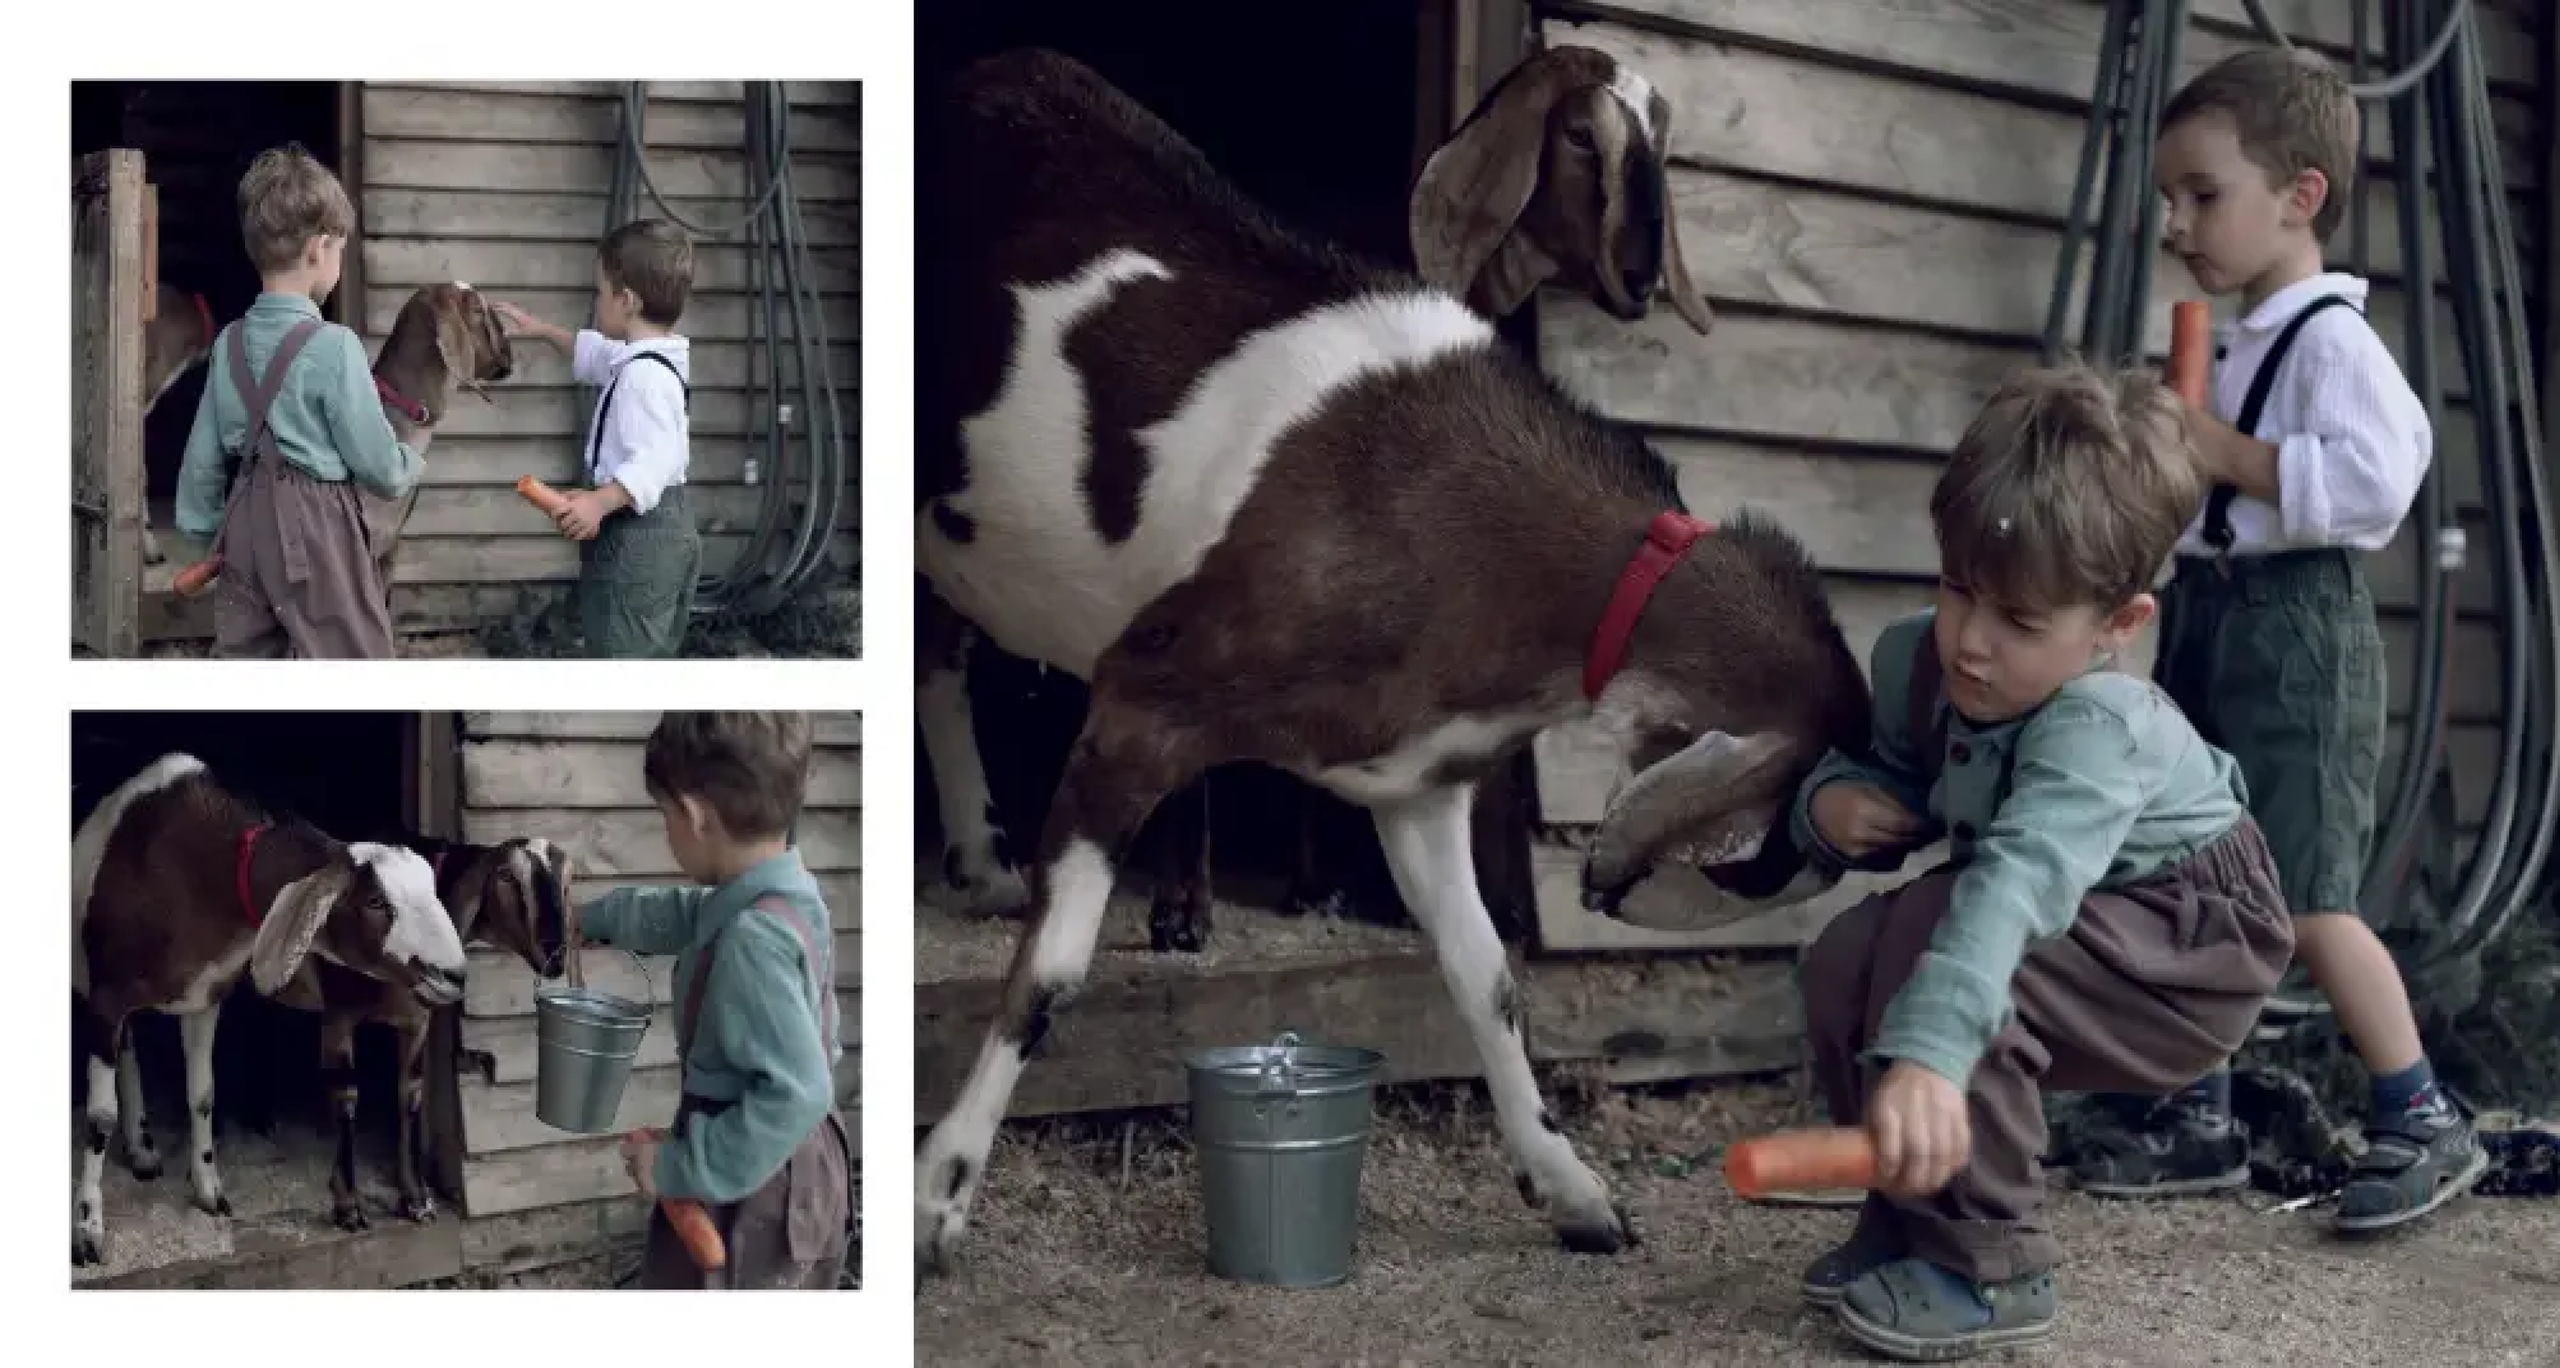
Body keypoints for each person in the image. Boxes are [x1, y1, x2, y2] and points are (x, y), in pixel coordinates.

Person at [1787, 365, 2295, 1361]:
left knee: (1949, 941)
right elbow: (1884, 767)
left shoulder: (2100, 726)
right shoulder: (1917, 667)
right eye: (1956, 589)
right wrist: (1828, 802)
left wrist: (1933, 1056)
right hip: (2054, 912)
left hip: (2189, 942)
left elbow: (2014, 887)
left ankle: (1986, 1267)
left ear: (2118, 624)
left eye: (2019, 622)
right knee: (1851, 953)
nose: (1972, 643)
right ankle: (1908, 1206)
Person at [2073, 45, 2485, 1232]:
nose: (2174, 224)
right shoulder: (2238, 337)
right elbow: (2198, 496)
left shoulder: (2328, 343)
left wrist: (2225, 456)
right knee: (2195, 870)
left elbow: (2378, 476)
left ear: (2299, 197)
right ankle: (2193, 1111)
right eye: (2168, 199)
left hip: (2297, 632)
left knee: (2304, 891)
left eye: (2203, 195)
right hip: (2208, 617)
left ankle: (2419, 1111)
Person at [574, 712, 851, 1289]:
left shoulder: (752, 941)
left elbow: (798, 1091)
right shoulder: (780, 891)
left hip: (755, 1180)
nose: (667, 830)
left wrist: (678, 1168)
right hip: (786, 1154)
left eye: (664, 815)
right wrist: (590, 920)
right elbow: (681, 913)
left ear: (695, 816)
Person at [173, 143, 427, 659]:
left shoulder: (228, 344)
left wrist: (207, 534)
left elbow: (201, 459)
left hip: (243, 522)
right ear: (318, 249)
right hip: (319, 531)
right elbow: (377, 464)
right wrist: (409, 462)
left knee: (248, 658)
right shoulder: (335, 347)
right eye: (338, 251)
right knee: (351, 656)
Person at [492, 217, 701, 658]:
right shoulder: (649, 358)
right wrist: (542, 331)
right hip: (661, 528)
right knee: (648, 651)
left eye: (600, 292)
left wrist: (597, 502)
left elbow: (654, 461)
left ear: (626, 300)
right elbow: (597, 355)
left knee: (622, 650)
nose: (597, 301)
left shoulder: (642, 377)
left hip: (639, 537)